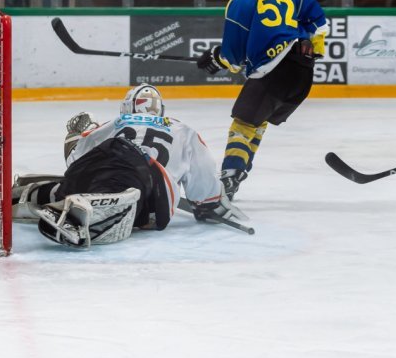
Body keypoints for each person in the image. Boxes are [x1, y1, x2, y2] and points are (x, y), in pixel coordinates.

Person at [12, 85, 244, 247]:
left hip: (102, 162)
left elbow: (74, 162)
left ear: (126, 107)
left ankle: (28, 194)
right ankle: (97, 206)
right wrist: (209, 205)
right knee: (126, 188)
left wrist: (74, 137)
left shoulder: (115, 122)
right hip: (151, 190)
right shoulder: (184, 130)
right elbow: (204, 187)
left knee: (75, 182)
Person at [197, 0, 330, 199]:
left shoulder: (239, 2)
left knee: (243, 124)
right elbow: (319, 22)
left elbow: (234, 59)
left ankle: (228, 180)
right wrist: (316, 49)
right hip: (303, 73)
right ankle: (237, 172)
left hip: (275, 70)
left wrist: (217, 59)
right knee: (258, 123)